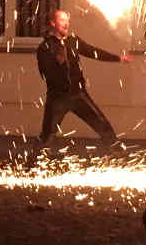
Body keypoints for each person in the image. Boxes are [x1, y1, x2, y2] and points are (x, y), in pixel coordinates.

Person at [35, 9, 131, 148]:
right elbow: (44, 73)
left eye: (67, 21)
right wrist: (57, 64)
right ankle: (33, 162)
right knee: (47, 135)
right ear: (53, 23)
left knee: (102, 124)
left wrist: (118, 58)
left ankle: (117, 152)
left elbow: (93, 52)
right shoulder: (45, 47)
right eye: (62, 20)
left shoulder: (73, 41)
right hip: (58, 98)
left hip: (78, 94)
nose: (66, 24)